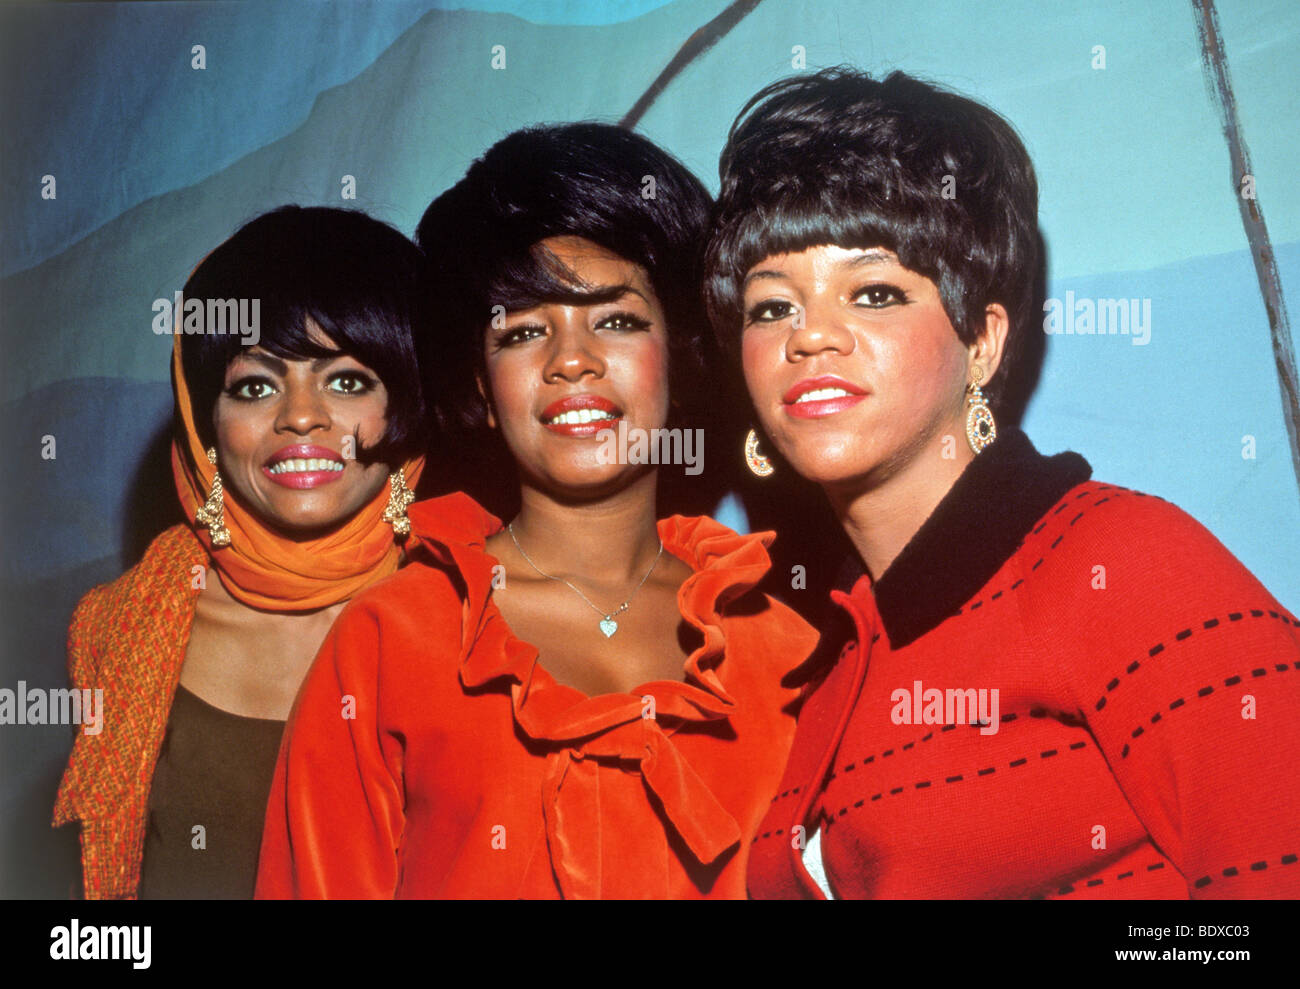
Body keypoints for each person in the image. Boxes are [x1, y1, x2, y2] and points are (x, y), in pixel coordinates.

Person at [703, 68, 1300, 899]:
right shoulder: (836, 655)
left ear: (982, 343)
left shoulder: (1120, 566)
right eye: (772, 307)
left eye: (873, 293)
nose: (812, 337)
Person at [255, 123, 819, 899]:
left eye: (616, 319)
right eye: (522, 331)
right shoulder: (392, 641)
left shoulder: (782, 647)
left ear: (682, 356)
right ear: (480, 388)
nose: (571, 359)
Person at [53, 206, 430, 899]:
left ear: (408, 401)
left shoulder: (482, 614)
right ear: (206, 422)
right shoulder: (122, 626)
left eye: (347, 380)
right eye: (255, 385)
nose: (300, 416)